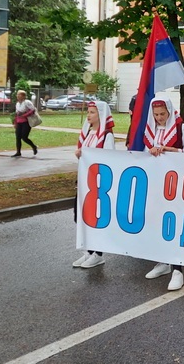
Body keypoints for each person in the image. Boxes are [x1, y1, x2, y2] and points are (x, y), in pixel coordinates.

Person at [143, 94, 184, 290]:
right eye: (156, 114)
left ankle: (177, 270)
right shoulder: (151, 130)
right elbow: (144, 155)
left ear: (169, 111)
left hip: (176, 184)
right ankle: (162, 261)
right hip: (157, 183)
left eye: (162, 114)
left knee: (173, 225)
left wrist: (170, 150)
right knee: (157, 223)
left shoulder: (181, 128)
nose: (159, 118)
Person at [73, 100, 115, 269]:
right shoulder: (88, 133)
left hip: (98, 184)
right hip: (84, 181)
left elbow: (110, 159)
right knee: (80, 215)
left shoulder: (106, 136)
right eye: (88, 112)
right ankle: (89, 251)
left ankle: (98, 253)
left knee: (96, 218)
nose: (88, 115)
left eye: (92, 112)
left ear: (101, 115)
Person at [12, 90, 38, 157]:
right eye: (17, 94)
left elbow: (33, 110)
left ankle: (33, 146)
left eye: (19, 94)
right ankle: (18, 152)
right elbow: (17, 114)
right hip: (19, 122)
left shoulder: (27, 102)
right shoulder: (17, 104)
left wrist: (25, 115)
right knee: (18, 137)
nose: (17, 96)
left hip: (26, 122)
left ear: (23, 96)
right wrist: (15, 123)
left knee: (24, 137)